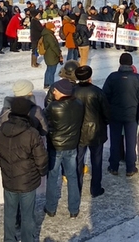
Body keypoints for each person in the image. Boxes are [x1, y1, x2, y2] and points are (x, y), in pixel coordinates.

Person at [0, 97, 48, 242]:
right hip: (27, 181)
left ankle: (9, 239)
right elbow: (41, 158)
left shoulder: (0, 131)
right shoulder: (31, 133)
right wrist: (41, 172)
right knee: (27, 215)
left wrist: (6, 166)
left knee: (9, 214)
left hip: (9, 179)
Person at [43, 79, 85, 218]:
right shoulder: (79, 104)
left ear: (62, 92)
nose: (53, 92)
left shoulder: (54, 107)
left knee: (53, 177)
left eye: (55, 90)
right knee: (72, 177)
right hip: (71, 146)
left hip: (55, 148)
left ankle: (50, 207)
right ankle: (74, 209)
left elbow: (44, 119)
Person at [103, 53, 139, 176]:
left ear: (120, 63)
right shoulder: (137, 78)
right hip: (132, 115)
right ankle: (130, 167)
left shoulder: (112, 77)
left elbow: (105, 95)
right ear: (131, 63)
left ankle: (114, 166)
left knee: (115, 141)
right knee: (131, 142)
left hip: (115, 115)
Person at [73, 65, 110, 197]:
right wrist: (105, 121)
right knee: (96, 160)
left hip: (78, 131)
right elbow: (106, 112)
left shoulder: (72, 91)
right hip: (96, 130)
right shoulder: (97, 92)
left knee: (78, 160)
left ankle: (77, 188)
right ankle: (95, 188)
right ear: (90, 77)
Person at [41, 22, 63, 88]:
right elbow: (53, 46)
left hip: (48, 55)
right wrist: (59, 53)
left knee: (48, 70)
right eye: (53, 27)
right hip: (52, 55)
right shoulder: (49, 35)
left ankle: (46, 83)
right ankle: (51, 85)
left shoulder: (46, 34)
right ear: (50, 28)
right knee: (52, 71)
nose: (55, 28)